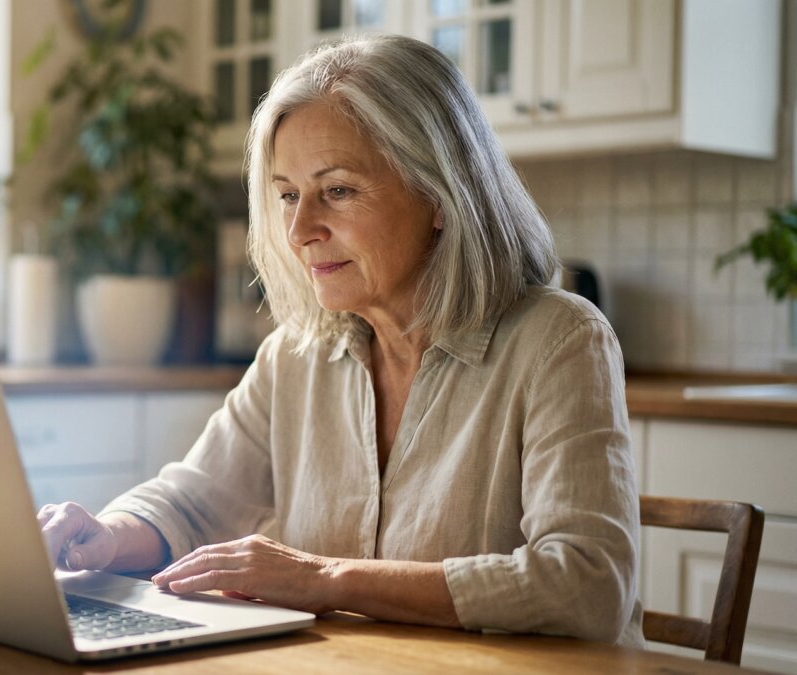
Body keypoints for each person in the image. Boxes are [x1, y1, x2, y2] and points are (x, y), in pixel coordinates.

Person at [38, 34, 642, 646]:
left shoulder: (560, 341)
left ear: (440, 195)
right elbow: (193, 502)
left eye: (338, 191)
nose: (300, 230)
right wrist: (109, 533)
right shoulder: (295, 357)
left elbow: (587, 587)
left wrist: (326, 578)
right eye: (288, 196)